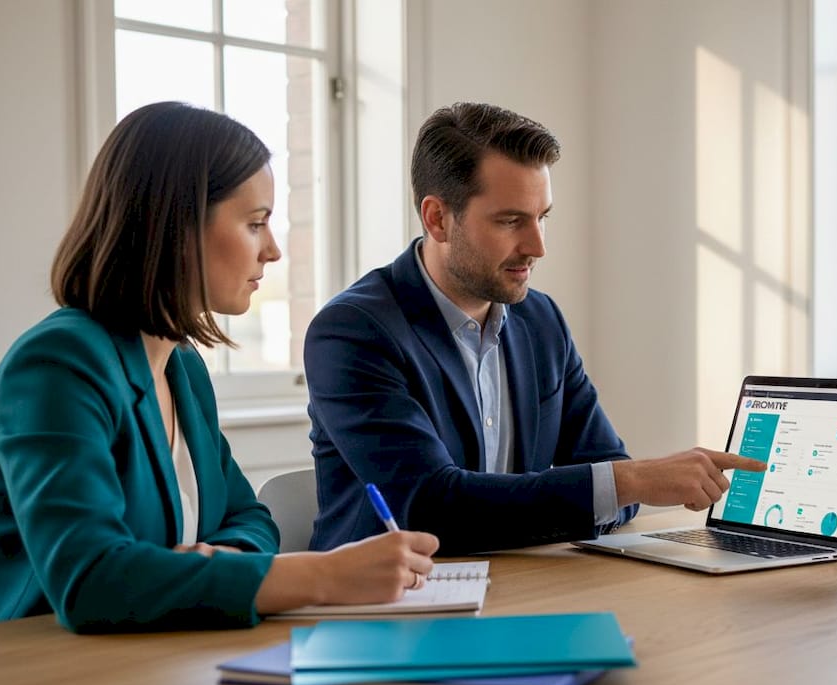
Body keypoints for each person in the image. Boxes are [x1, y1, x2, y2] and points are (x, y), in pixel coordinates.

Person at [0, 102, 438, 633]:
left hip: (149, 661)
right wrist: (320, 575)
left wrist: (215, 562)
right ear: (175, 226)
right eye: (255, 224)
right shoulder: (56, 367)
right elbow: (90, 579)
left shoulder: (182, 368)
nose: (272, 250)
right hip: (23, 675)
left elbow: (248, 518)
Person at [304, 102, 764, 555]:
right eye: (510, 221)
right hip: (385, 611)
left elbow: (606, 475)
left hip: (516, 588)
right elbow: (428, 508)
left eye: (543, 217)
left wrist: (621, 484)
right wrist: (631, 481)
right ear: (437, 218)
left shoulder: (541, 322)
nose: (537, 246)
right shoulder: (354, 332)